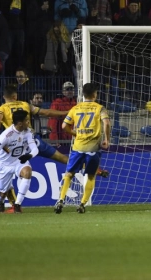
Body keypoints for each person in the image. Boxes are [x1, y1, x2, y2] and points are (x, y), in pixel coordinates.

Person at [54, 83, 111, 214]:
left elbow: (64, 126)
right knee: (91, 176)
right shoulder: (100, 108)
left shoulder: (75, 108)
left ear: (83, 94)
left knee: (69, 174)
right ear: (95, 94)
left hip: (77, 147)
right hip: (93, 148)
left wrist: (75, 134)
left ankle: (61, 200)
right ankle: (82, 204)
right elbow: (106, 123)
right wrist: (107, 140)